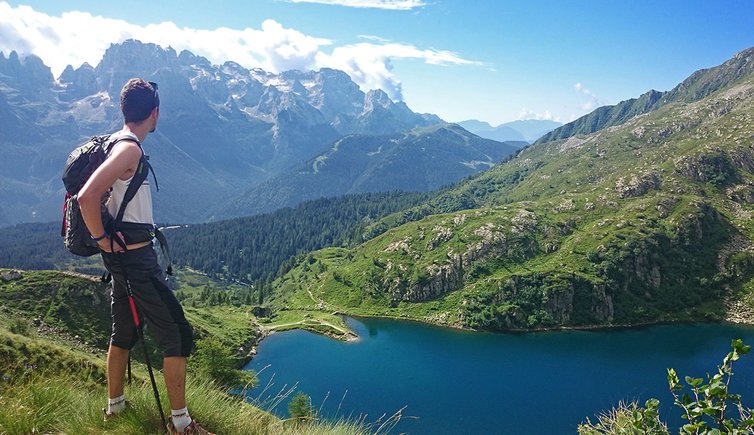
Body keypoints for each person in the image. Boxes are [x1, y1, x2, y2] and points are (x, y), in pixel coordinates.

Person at [78, 78, 211, 434]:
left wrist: (106, 244)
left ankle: (115, 410)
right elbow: (87, 198)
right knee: (177, 335)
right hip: (136, 261)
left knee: (123, 332)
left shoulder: (115, 143)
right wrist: (103, 239)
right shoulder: (130, 150)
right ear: (154, 113)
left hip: (122, 262)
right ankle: (181, 424)